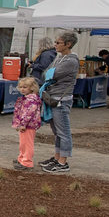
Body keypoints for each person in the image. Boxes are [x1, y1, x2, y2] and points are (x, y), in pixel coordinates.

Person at [40, 31, 80, 174]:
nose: (55, 45)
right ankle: (57, 157)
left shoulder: (71, 61)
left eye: (58, 43)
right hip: (53, 98)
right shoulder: (60, 57)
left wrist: (51, 73)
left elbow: (52, 74)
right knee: (57, 132)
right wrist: (50, 72)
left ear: (68, 44)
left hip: (61, 100)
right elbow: (46, 73)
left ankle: (63, 162)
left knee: (63, 132)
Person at [11, 76, 42, 170]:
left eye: (25, 87)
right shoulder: (27, 99)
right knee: (23, 143)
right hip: (25, 125)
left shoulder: (31, 100)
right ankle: (22, 158)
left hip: (28, 125)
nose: (22, 89)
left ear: (32, 88)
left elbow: (28, 114)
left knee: (27, 144)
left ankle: (27, 162)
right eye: (21, 87)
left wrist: (22, 124)